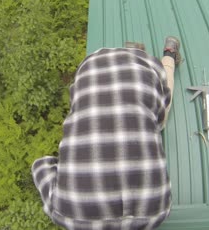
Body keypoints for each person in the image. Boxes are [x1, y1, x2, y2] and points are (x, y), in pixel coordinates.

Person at [32, 36, 181, 230]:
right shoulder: (64, 214)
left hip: (145, 68)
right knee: (157, 116)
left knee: (159, 117)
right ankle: (138, 53)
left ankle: (167, 55)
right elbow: (40, 165)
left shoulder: (159, 211)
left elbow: (160, 110)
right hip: (90, 66)